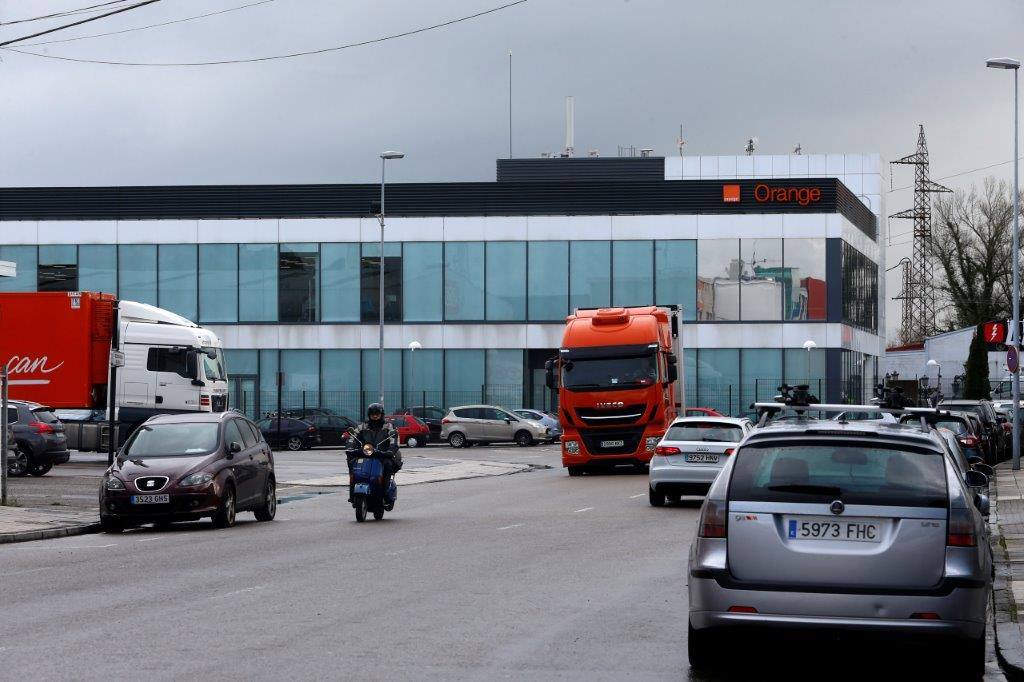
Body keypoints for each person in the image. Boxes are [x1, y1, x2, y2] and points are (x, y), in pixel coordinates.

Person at [347, 403, 401, 502]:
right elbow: (352, 438)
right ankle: (352, 493)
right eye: (372, 414)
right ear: (369, 415)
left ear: (382, 414)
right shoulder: (362, 426)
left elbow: (394, 441)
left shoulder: (389, 426)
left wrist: (390, 451)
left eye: (377, 414)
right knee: (352, 463)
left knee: (388, 465)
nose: (375, 416)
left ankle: (384, 494)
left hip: (382, 454)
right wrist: (349, 448)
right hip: (364, 453)